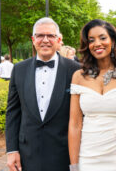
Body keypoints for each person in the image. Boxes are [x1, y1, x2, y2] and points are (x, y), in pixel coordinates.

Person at [68, 19, 116, 171]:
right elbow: (75, 124)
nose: (97, 43)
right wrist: (74, 166)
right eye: (91, 40)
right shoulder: (78, 76)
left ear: (113, 41)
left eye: (102, 38)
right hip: (88, 154)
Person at [6, 17, 80, 171]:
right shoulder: (19, 69)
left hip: (64, 154)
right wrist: (11, 150)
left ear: (59, 39)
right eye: (40, 35)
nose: (45, 40)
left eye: (50, 36)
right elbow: (13, 112)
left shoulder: (76, 70)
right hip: (27, 154)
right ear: (33, 40)